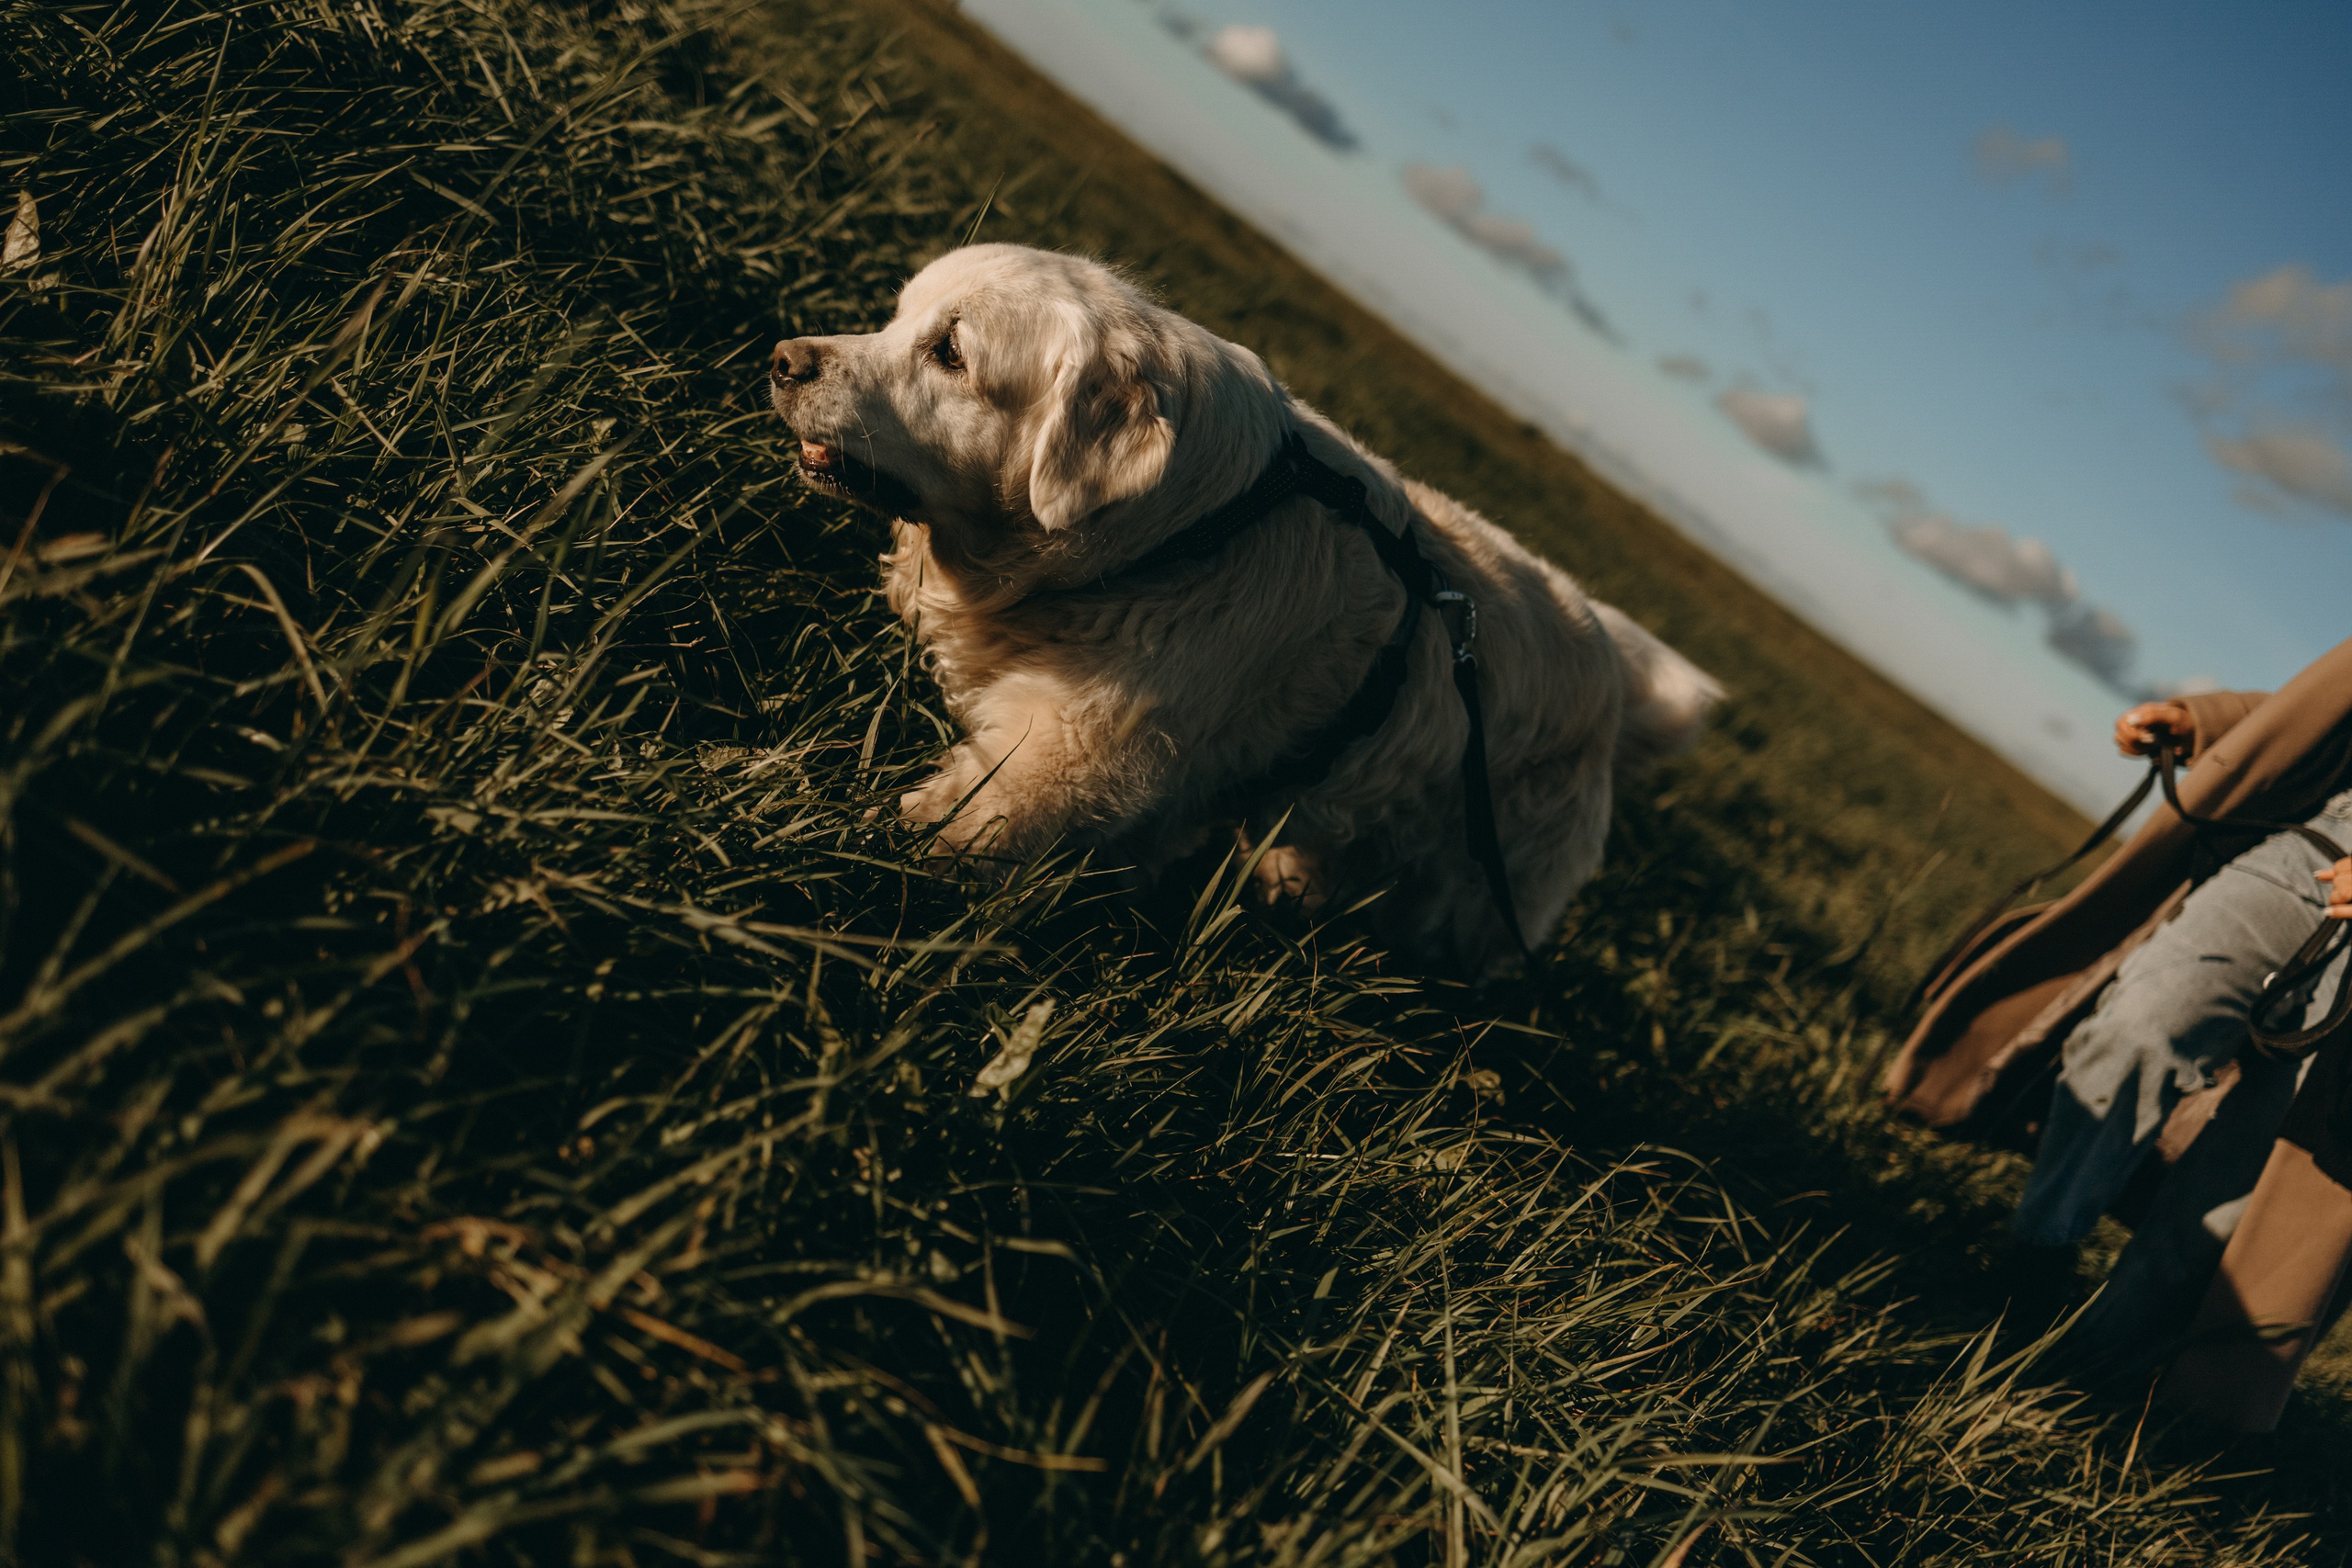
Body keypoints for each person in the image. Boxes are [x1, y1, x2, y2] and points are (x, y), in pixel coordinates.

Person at [1883, 637, 2352, 1430]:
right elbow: (2327, 710)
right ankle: (2034, 1268)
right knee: (2141, 1020)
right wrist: (2207, 721)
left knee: (2254, 1173)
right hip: (2316, 843)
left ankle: (2088, 1376)